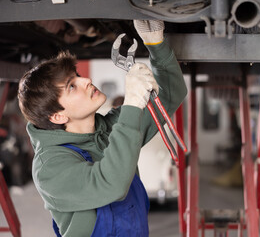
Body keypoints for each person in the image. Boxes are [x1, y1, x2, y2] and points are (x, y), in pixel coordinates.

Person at [17, 20, 187, 237]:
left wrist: (156, 44)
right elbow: (111, 184)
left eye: (77, 76)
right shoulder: (49, 168)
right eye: (72, 86)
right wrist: (133, 103)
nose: (86, 80)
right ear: (58, 116)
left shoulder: (107, 128)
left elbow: (171, 95)